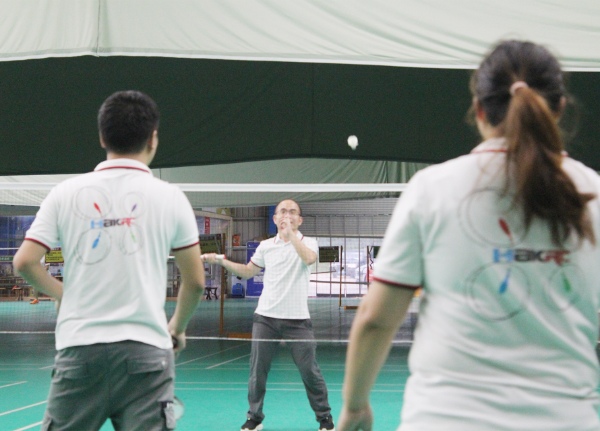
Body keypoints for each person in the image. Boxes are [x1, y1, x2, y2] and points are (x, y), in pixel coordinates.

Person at [338, 40, 600, 431]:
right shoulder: (593, 192)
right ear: (559, 108)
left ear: (479, 111)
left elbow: (376, 319)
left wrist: (355, 406)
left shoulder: (431, 188)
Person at [13, 90, 205, 431]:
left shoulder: (64, 192)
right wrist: (177, 326)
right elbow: (195, 281)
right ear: (153, 138)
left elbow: (25, 262)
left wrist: (64, 295)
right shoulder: (171, 197)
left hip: (79, 352)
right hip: (147, 354)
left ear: (102, 137)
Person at [203, 199, 335, 431]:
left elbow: (309, 259)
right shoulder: (265, 246)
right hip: (266, 318)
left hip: (298, 321)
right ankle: (254, 418)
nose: (287, 215)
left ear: (299, 220)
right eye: (282, 211)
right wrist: (220, 261)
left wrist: (291, 235)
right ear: (274, 219)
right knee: (257, 371)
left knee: (310, 371)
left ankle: (325, 419)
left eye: (292, 212)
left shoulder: (310, 243)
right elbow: (247, 271)